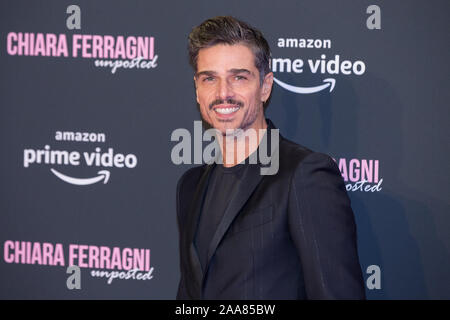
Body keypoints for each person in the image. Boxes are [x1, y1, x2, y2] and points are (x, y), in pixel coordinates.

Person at [176, 16, 366, 299]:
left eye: (239, 77)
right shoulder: (190, 186)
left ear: (265, 87)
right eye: (209, 78)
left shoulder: (304, 175)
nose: (223, 93)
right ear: (197, 90)